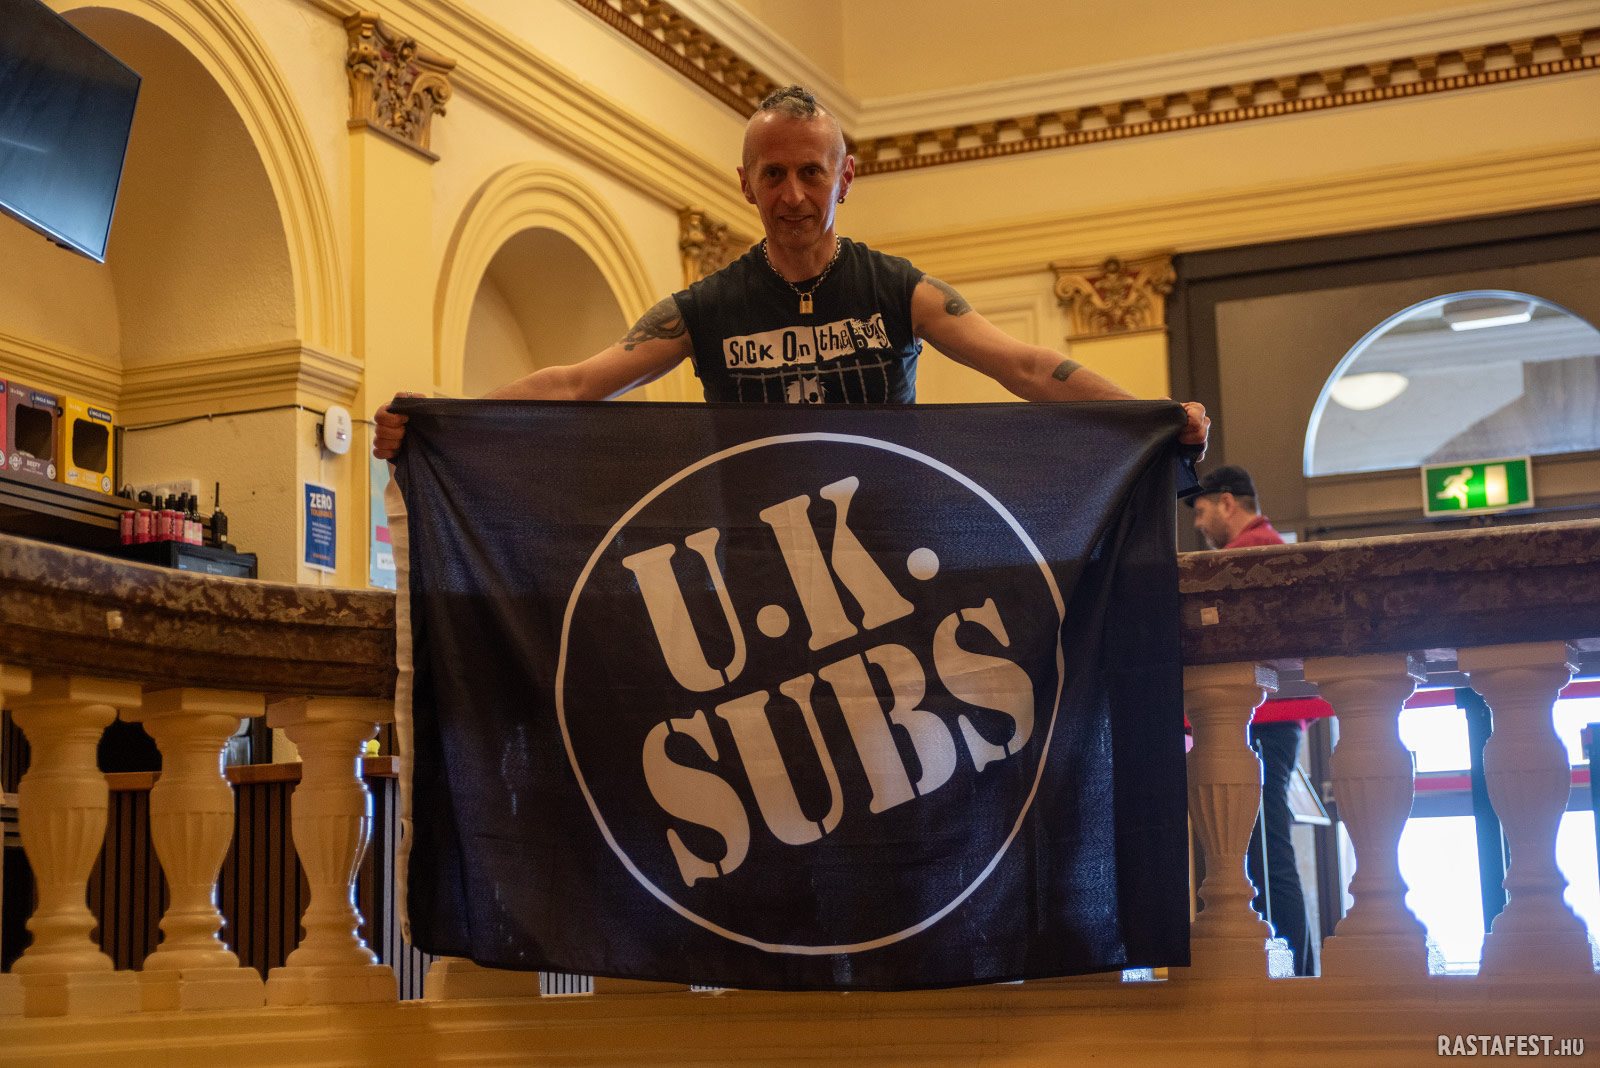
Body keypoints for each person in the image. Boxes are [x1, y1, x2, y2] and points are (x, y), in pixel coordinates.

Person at [373, 85, 1209, 457]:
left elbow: (1025, 365)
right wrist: (441, 420)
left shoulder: (898, 290)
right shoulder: (708, 306)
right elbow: (576, 384)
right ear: (745, 183)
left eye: (812, 173)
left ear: (845, 179)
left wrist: (1150, 414)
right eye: (773, 175)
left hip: (890, 551)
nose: (794, 195)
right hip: (757, 566)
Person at [1186, 464, 1312, 975]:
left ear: (1227, 502)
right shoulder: (1268, 547)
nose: (1198, 524)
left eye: (1201, 511)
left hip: (1257, 718)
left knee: (1263, 849)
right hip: (1267, 717)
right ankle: (1292, 967)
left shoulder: (1247, 557)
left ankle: (1291, 971)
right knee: (1260, 848)